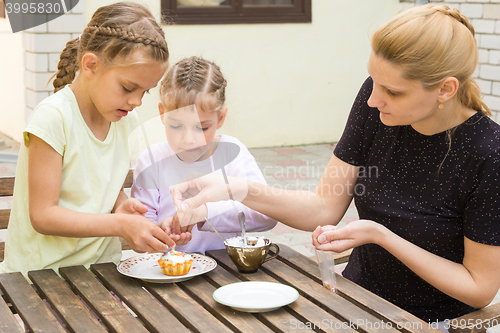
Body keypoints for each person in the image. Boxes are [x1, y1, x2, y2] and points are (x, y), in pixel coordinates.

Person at [169, 5, 500, 323]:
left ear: (445, 89)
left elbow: (478, 289)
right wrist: (234, 189)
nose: (373, 100)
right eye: (373, 81)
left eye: (393, 92)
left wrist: (380, 235)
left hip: (433, 321)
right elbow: (324, 207)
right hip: (356, 300)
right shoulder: (376, 105)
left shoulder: (489, 153)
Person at [0, 2, 189, 277]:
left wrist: (122, 207)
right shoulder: (53, 118)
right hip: (44, 278)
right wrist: (119, 225)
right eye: (128, 87)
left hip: (102, 271)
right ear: (90, 65)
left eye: (145, 92)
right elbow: (43, 215)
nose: (136, 101)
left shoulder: (124, 121)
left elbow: (103, 189)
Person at [131, 56, 277, 254]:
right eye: (176, 126)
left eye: (202, 127)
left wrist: (206, 213)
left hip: (226, 272)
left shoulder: (233, 153)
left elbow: (266, 215)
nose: (189, 139)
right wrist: (162, 232)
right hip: (168, 273)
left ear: (221, 118)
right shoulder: (151, 161)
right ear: (162, 114)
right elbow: (140, 229)